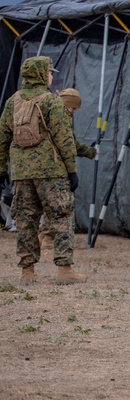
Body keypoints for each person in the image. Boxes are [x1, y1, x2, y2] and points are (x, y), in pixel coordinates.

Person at [0, 56, 86, 285]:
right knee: (61, 217)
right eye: (49, 72)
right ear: (41, 74)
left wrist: (2, 170)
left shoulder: (13, 102)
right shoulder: (52, 102)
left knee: (26, 220)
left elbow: (2, 138)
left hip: (21, 173)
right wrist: (71, 170)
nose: (51, 76)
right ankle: (64, 269)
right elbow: (64, 139)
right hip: (51, 172)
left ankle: (27, 271)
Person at [38, 88, 96, 256]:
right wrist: (72, 172)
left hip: (41, 167)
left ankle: (44, 236)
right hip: (53, 168)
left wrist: (89, 152)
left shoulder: (49, 110)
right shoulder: (59, 116)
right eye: (73, 108)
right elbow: (67, 145)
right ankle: (48, 238)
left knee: (48, 205)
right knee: (58, 205)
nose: (74, 112)